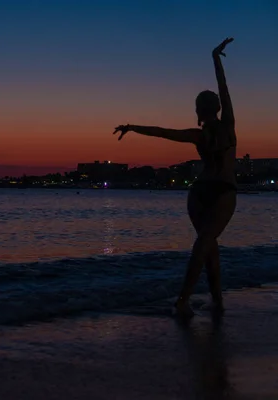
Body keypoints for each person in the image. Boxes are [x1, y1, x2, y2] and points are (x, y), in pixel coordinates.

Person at [113, 38, 237, 318]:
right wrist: (215, 57)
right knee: (206, 243)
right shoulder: (228, 123)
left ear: (198, 111)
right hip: (223, 192)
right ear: (216, 107)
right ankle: (184, 300)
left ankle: (216, 300)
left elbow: (161, 131)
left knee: (208, 245)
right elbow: (223, 86)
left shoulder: (197, 135)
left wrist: (132, 127)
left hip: (199, 193)